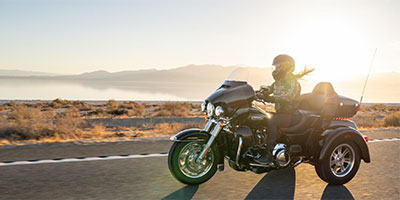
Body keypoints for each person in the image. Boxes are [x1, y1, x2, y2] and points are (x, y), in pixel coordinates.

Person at [256, 54, 314, 164]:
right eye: (276, 67)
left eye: (279, 67)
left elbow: (288, 97)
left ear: (287, 67)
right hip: (282, 114)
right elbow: (269, 89)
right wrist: (256, 93)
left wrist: (269, 98)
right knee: (260, 116)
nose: (276, 69)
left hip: (291, 115)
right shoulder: (278, 82)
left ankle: (268, 154)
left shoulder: (293, 82)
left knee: (272, 121)